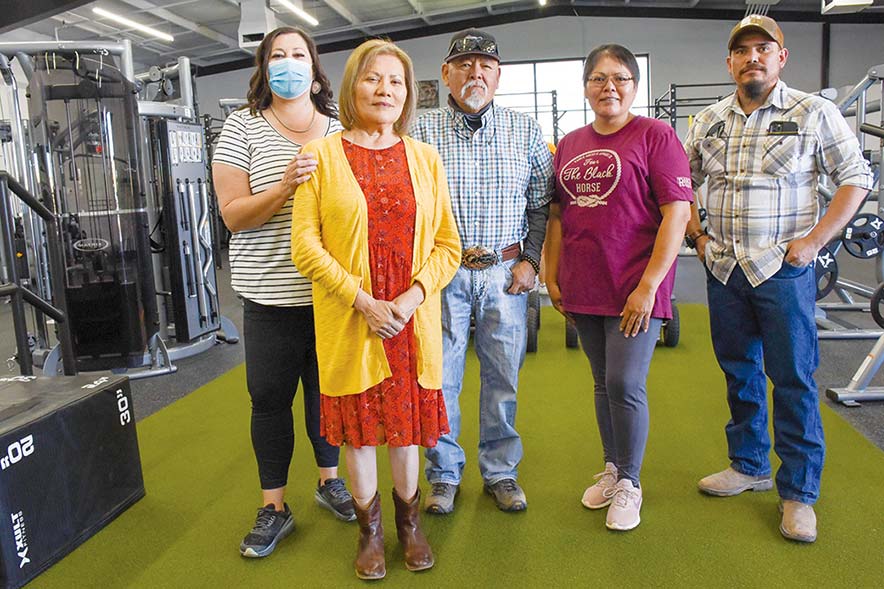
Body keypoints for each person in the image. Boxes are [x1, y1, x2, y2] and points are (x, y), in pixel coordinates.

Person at [684, 15, 874, 543]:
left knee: (792, 380)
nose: (753, 58)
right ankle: (748, 466)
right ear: (729, 63)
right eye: (742, 51)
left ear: (781, 58)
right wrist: (697, 238)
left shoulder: (814, 112)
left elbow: (856, 177)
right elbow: (679, 185)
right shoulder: (708, 121)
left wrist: (814, 242)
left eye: (763, 48)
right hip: (724, 269)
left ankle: (799, 493)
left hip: (783, 272)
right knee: (739, 373)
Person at [290, 39, 461, 580]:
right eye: (373, 78)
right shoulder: (320, 156)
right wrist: (361, 301)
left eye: (396, 81)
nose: (385, 89)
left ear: (408, 94)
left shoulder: (425, 157)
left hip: (410, 321)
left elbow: (447, 247)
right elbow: (305, 245)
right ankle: (371, 532)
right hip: (352, 318)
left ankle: (411, 525)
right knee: (361, 434)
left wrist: (410, 299)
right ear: (351, 86)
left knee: (406, 432)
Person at [211, 26, 355, 559]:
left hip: (332, 296)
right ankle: (274, 506)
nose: (289, 63)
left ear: (315, 69)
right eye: (278, 55)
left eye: (299, 54)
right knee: (270, 399)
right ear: (264, 67)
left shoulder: (340, 132)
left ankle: (329, 481)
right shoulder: (241, 127)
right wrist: (285, 185)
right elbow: (233, 215)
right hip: (270, 297)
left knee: (328, 397)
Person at [545, 44, 693, 531]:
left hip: (635, 283)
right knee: (602, 381)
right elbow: (560, 215)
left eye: (622, 78)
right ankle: (612, 468)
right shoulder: (568, 143)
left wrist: (650, 286)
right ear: (586, 86)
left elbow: (678, 212)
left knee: (626, 384)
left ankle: (630, 481)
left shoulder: (657, 135)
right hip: (585, 281)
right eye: (599, 78)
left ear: (634, 86)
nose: (610, 86)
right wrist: (554, 271)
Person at [412, 28, 554, 514]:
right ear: (446, 74)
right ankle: (445, 475)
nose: (476, 73)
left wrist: (531, 262)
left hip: (505, 273)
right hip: (442, 274)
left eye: (485, 66)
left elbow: (541, 203)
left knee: (502, 378)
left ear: (498, 75)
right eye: (465, 65)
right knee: (441, 378)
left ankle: (500, 472)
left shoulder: (525, 129)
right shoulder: (419, 132)